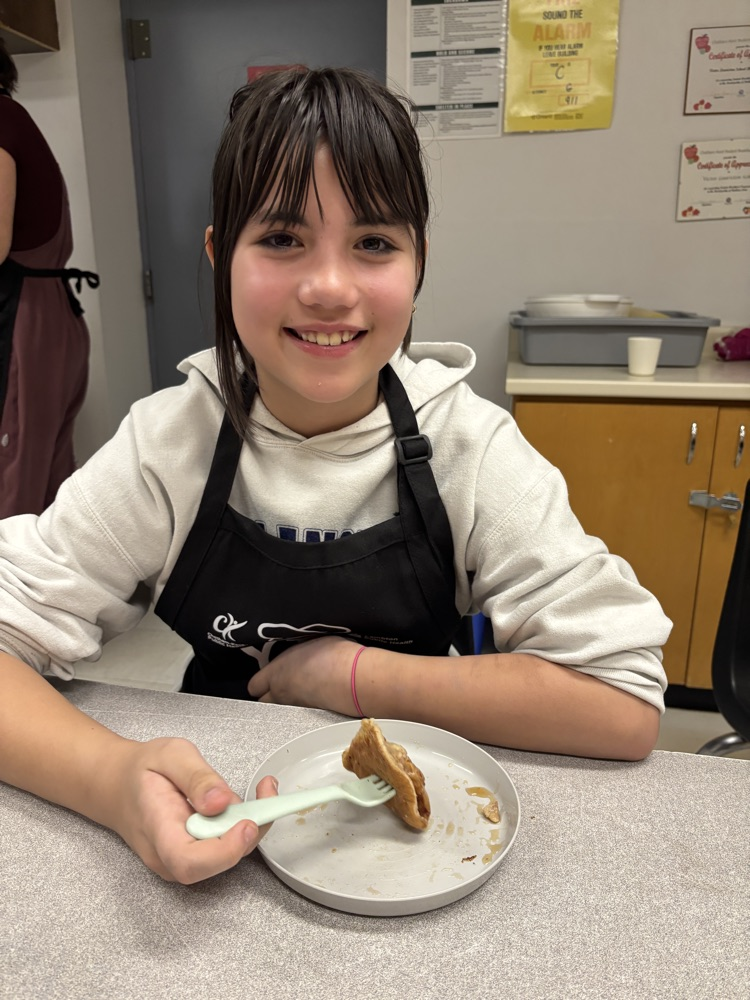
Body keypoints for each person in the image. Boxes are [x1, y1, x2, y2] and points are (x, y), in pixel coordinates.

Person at [0, 67, 671, 885]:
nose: (328, 288)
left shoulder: (471, 446)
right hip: (226, 806)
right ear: (221, 256)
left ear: (419, 262)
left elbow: (623, 700)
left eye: (375, 243)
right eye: (282, 239)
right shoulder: (169, 443)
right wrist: (109, 781)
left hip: (416, 854)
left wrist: (355, 676)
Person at [0, 37, 97, 518]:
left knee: (15, 494)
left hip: (22, 327)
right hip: (48, 319)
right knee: (46, 489)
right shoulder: (13, 117)